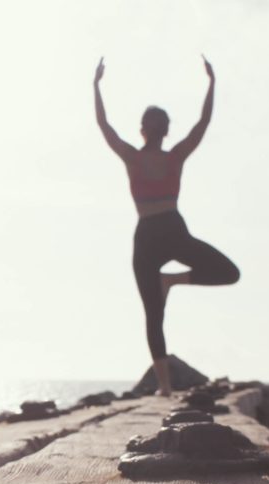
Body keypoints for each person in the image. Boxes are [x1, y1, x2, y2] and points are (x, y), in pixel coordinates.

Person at [94, 55, 239, 396]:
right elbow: (203, 124)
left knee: (152, 314)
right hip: (173, 229)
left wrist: (96, 87)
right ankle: (173, 280)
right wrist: (212, 84)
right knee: (229, 272)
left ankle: (164, 387)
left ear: (143, 129)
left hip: (147, 234)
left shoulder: (133, 156)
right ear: (166, 130)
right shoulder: (175, 157)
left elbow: (104, 126)